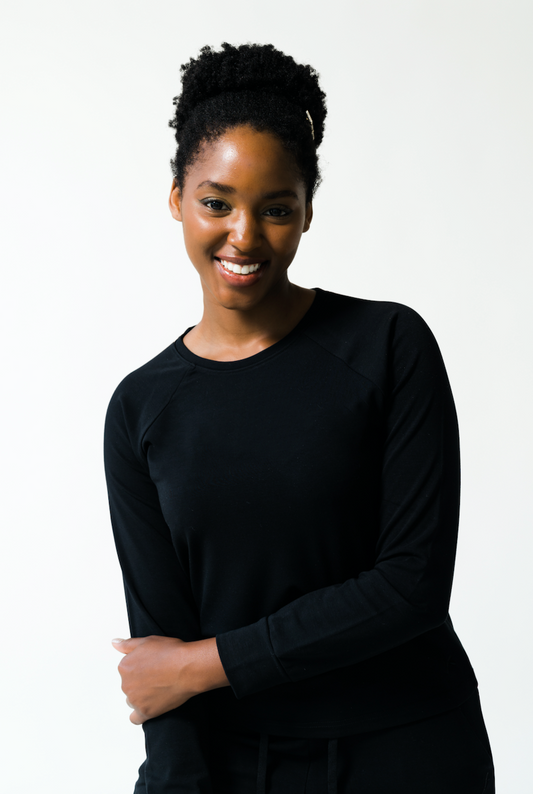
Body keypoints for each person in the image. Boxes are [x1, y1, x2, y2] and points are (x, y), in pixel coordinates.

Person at [104, 42, 495, 794]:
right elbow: (159, 651)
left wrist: (205, 665)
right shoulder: (140, 407)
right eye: (216, 202)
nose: (244, 235)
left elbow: (410, 586)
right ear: (177, 198)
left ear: (308, 211)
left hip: (408, 749)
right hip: (234, 762)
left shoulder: (387, 345)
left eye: (276, 209)